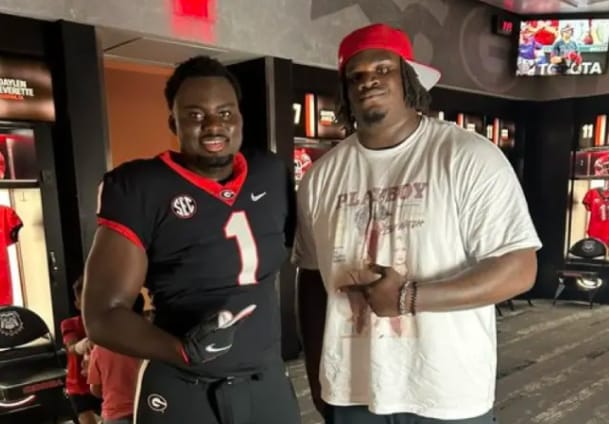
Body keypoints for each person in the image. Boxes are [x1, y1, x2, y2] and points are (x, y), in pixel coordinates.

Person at [294, 23, 541, 424]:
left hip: (446, 393)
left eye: (382, 69)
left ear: (408, 78)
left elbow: (519, 269)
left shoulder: (468, 156)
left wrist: (408, 297)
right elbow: (310, 279)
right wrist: (318, 375)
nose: (367, 81)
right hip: (353, 392)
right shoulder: (321, 177)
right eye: (354, 75)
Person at [82, 56, 299, 424]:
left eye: (225, 113)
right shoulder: (141, 187)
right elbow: (101, 316)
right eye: (196, 115)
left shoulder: (270, 172)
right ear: (173, 122)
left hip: (265, 382)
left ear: (240, 118)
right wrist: (180, 350)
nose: (214, 125)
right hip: (184, 387)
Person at [87, 293, 145, 424]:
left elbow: (95, 389)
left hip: (114, 415)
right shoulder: (148, 344)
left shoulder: (100, 348)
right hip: (146, 411)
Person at [60, 276, 101, 424]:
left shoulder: (106, 324)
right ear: (78, 304)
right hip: (78, 386)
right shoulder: (69, 324)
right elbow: (70, 347)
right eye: (86, 300)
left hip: (102, 384)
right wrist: (81, 345)